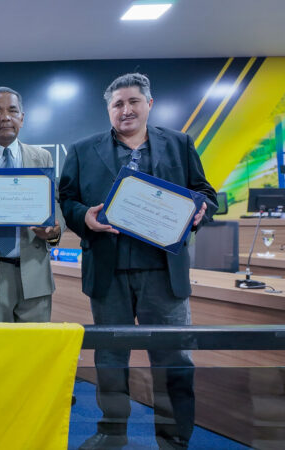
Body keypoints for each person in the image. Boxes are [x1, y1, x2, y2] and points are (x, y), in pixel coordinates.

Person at [59, 73, 217, 449]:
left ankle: (174, 436)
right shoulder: (82, 150)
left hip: (164, 272)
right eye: (117, 104)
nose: (125, 110)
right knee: (110, 358)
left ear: (149, 104)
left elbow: (205, 192)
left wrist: (201, 210)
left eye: (133, 102)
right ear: (108, 110)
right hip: (108, 271)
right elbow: (67, 200)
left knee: (173, 357)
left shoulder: (179, 144)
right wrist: (85, 218)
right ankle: (112, 433)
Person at [0, 87, 64, 323]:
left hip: (34, 272)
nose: (5, 117)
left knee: (33, 354)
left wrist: (54, 231)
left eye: (12, 111)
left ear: (22, 118)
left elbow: (55, 204)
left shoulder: (42, 157)